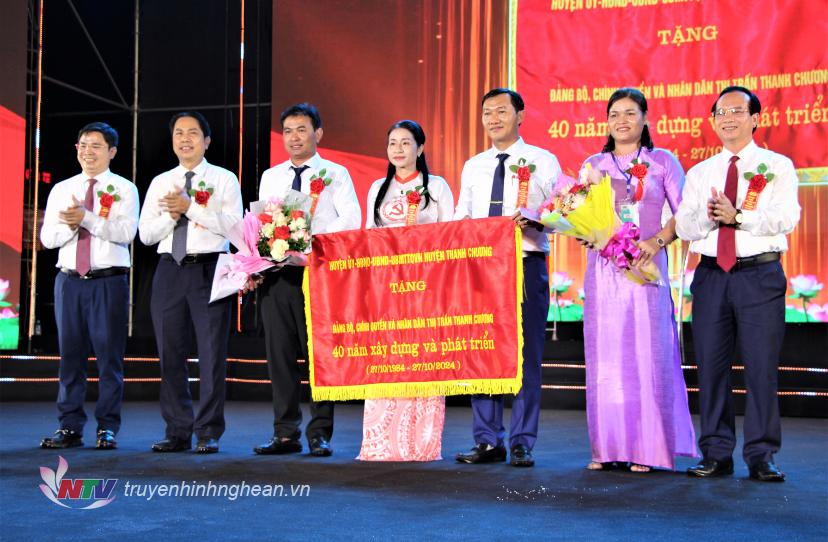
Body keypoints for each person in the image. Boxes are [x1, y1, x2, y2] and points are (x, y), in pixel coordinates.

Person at [676, 86, 800, 482]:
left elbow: (785, 218)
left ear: (755, 118)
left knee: (761, 368)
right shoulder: (700, 172)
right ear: (713, 121)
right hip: (712, 275)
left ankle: (762, 455)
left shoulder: (777, 166)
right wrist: (712, 219)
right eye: (720, 112)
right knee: (711, 367)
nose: (727, 118)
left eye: (736, 111)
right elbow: (684, 224)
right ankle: (715, 452)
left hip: (758, 276)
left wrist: (738, 217)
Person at [580, 88, 697, 472]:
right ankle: (608, 447)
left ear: (645, 118)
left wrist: (658, 239)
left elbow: (685, 214)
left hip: (645, 268)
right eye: (615, 113)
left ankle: (647, 448)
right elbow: (578, 213)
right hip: (605, 270)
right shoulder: (595, 164)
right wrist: (581, 231)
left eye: (630, 113)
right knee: (608, 357)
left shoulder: (662, 162)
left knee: (647, 355)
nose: (622, 120)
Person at [453, 88, 560, 467]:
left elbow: (562, 214)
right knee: (482, 353)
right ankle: (487, 440)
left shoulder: (543, 160)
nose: (494, 118)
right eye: (487, 112)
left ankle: (522, 441)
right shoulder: (473, 165)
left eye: (502, 111)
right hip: (482, 267)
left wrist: (537, 218)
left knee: (527, 356)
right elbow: (461, 215)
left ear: (521, 115)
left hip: (526, 265)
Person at [253, 103, 361, 457]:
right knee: (279, 357)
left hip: (319, 274)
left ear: (318, 133)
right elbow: (261, 225)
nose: (294, 137)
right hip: (277, 276)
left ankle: (320, 433)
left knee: (319, 355)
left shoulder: (336, 173)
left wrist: (307, 237)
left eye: (301, 129)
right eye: (287, 131)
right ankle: (285, 432)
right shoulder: (272, 176)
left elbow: (351, 220)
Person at [139, 111, 242, 454]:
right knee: (170, 352)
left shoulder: (224, 179)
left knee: (212, 353)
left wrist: (190, 208)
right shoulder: (160, 182)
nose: (185, 139)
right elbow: (146, 235)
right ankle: (177, 429)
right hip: (169, 269)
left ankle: (208, 430)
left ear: (206, 140)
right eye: (179, 133)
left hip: (209, 268)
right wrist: (173, 214)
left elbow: (234, 229)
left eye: (193, 133)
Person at [357, 120, 455, 461]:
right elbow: (368, 235)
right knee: (387, 359)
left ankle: (422, 444)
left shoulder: (437, 186)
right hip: (388, 287)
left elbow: (450, 236)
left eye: (405, 142)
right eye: (392, 143)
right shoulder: (376, 189)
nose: (398, 149)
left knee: (423, 357)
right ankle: (380, 444)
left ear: (421, 148)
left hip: (425, 286)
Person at [40, 122, 139, 450]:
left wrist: (87, 218)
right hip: (68, 281)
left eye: (96, 146)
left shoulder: (124, 189)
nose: (88, 151)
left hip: (107, 282)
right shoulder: (62, 189)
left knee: (109, 357)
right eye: (83, 145)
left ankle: (107, 427)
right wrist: (71, 226)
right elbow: (47, 238)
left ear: (111, 151)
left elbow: (126, 234)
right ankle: (69, 426)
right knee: (70, 357)